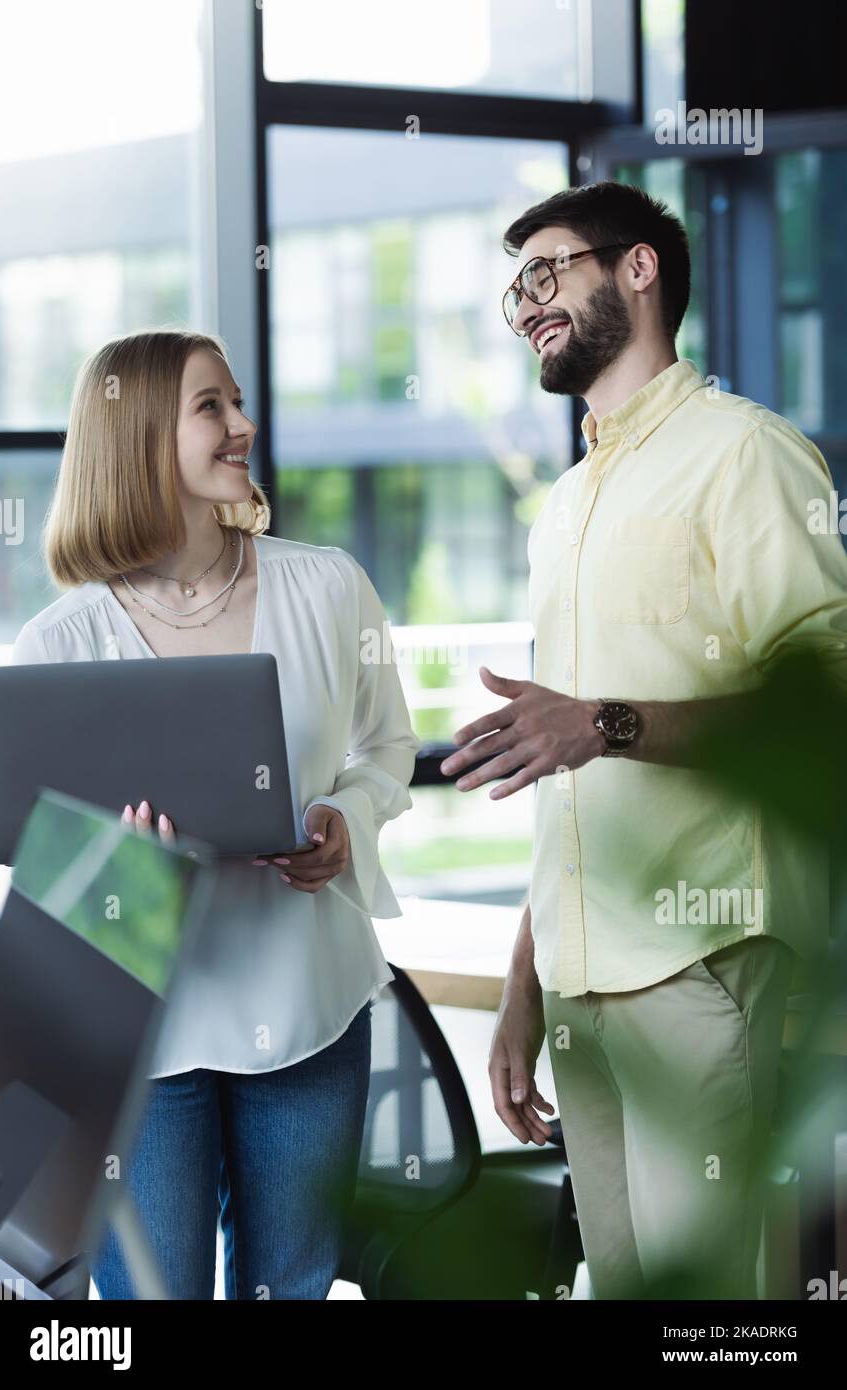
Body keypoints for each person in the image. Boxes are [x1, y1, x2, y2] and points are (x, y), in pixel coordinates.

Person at [440, 181, 847, 1299]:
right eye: (513, 285)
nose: (525, 304)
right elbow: (562, 775)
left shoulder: (747, 455)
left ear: (638, 269)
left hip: (697, 963)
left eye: (547, 270)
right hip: (578, 979)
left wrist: (602, 722)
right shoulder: (563, 509)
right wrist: (525, 988)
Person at [10, 328, 420, 1299]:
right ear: (144, 436)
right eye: (213, 407)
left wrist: (343, 819)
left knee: (292, 1283)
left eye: (238, 400)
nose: (245, 424)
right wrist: (120, 865)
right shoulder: (59, 641)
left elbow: (387, 749)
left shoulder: (327, 587)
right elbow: (30, 855)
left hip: (310, 1006)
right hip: (145, 1034)